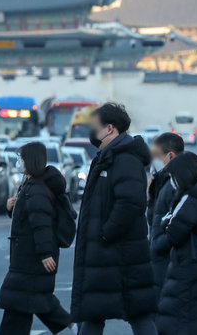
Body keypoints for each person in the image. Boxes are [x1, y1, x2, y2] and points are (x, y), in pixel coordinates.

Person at [71, 103, 157, 335]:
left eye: (94, 126)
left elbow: (130, 203)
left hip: (119, 255)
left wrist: (105, 233)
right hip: (107, 256)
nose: (90, 130)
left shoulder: (124, 159)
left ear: (109, 128)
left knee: (136, 313)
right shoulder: (107, 157)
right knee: (94, 314)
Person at [0, 142, 76, 335]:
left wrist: (45, 253)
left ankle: (73, 325)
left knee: (22, 303)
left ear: (29, 161)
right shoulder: (30, 186)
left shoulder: (36, 189)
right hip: (27, 257)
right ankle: (73, 325)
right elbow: (26, 218)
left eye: (20, 159)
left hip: (30, 258)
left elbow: (41, 224)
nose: (18, 163)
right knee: (29, 302)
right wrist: (10, 208)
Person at [154, 152, 197, 334]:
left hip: (186, 274)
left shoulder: (190, 200)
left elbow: (172, 231)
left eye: (174, 177)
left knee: (176, 324)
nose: (172, 181)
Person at [147, 133, 184, 299]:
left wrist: (157, 244)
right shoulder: (162, 180)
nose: (153, 161)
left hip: (169, 263)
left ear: (171, 156)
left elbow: (171, 226)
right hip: (161, 263)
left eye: (156, 156)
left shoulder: (176, 184)